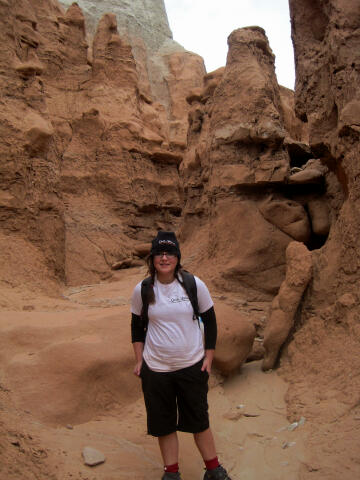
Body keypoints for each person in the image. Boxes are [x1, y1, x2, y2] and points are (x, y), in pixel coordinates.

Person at [131, 231, 232, 480]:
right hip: (156, 369)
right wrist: (139, 360)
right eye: (159, 253)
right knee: (164, 423)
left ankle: (213, 469)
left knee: (199, 419)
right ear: (152, 258)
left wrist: (208, 357)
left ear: (177, 257)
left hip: (191, 365)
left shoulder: (193, 284)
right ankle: (172, 473)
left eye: (170, 253)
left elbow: (210, 321)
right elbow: (136, 327)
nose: (164, 258)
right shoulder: (143, 289)